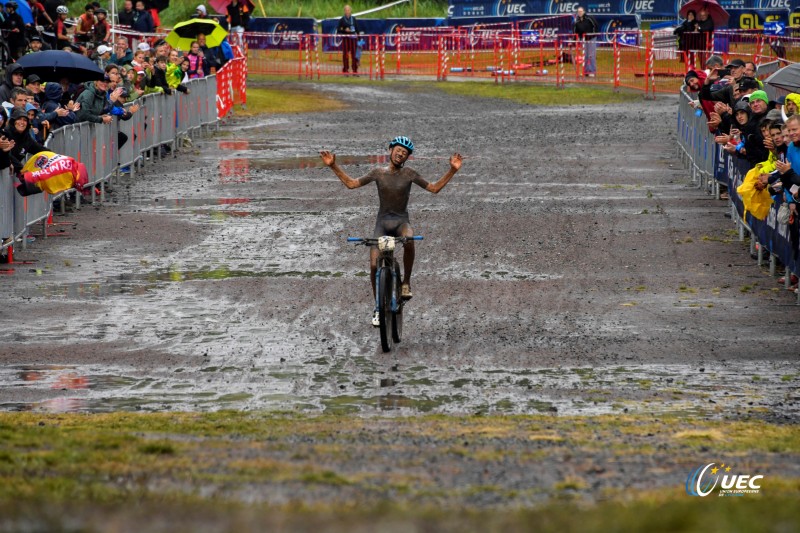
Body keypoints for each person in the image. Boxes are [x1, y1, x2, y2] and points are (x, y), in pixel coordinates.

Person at [319, 137, 463, 326]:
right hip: (382, 224)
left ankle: (406, 283)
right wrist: (333, 166)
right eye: (398, 150)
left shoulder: (410, 173)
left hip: (401, 223)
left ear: (407, 157)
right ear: (390, 150)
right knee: (373, 266)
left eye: (405, 152)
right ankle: (378, 307)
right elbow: (352, 184)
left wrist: (452, 170)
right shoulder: (378, 172)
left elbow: (434, 188)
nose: (401, 153)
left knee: (409, 238)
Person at [573, 6, 598, 78]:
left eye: (581, 11)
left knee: (591, 56)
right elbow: (575, 31)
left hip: (591, 39)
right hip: (583, 40)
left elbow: (595, 26)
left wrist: (592, 34)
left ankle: (592, 71)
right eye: (578, 12)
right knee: (585, 56)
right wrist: (574, 40)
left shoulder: (589, 18)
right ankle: (586, 71)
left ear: (584, 11)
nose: (580, 13)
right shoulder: (576, 21)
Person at [337, 5, 359, 75]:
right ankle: (345, 70)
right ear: (344, 11)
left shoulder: (354, 19)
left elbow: (357, 29)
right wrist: (344, 30)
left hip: (353, 39)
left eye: (348, 10)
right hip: (345, 39)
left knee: (354, 55)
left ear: (350, 11)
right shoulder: (342, 20)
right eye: (346, 10)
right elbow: (338, 30)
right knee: (345, 55)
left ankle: (355, 70)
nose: (347, 11)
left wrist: (359, 38)